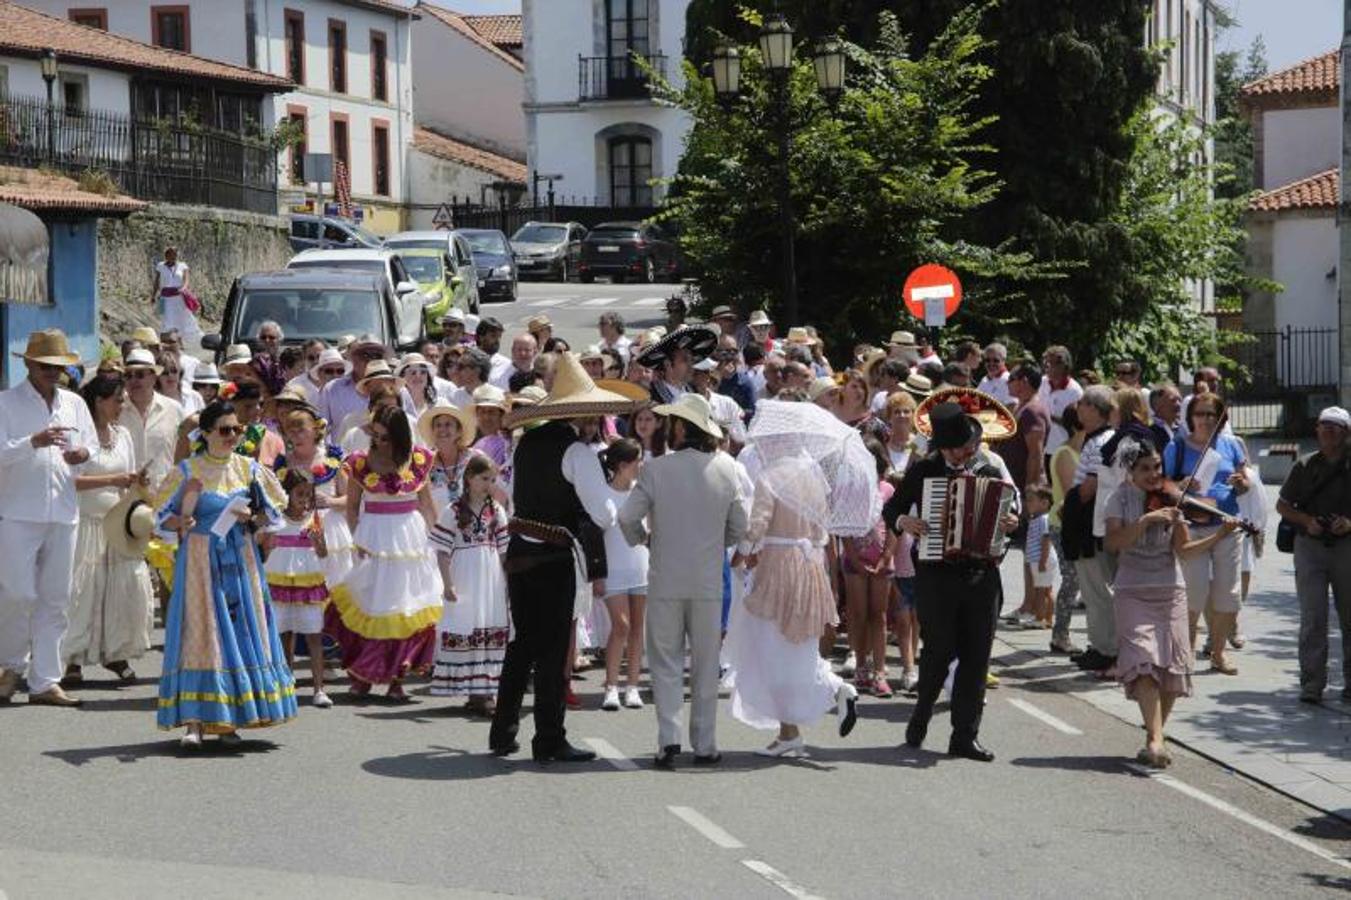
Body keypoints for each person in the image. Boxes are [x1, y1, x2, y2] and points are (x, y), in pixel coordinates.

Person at [489, 354, 629, 764]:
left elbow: (516, 498)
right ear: (583, 412)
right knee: (551, 650)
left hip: (520, 551)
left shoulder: (527, 443)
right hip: (552, 557)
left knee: (522, 645)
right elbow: (605, 514)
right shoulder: (578, 452)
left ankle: (503, 732)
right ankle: (549, 737)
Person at [154, 400, 296, 746]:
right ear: (205, 433)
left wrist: (255, 519)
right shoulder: (187, 471)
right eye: (224, 430)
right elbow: (159, 517)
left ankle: (230, 719)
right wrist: (180, 521)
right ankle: (194, 722)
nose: (232, 435)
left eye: (237, 429)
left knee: (239, 631)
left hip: (240, 558)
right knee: (201, 632)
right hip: (201, 561)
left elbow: (277, 513)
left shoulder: (249, 469)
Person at [885, 401, 1019, 762]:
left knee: (977, 657)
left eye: (967, 447)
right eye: (957, 448)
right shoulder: (924, 471)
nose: (963, 453)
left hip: (980, 574)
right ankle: (922, 711)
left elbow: (1011, 513)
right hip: (936, 574)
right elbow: (892, 508)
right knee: (939, 652)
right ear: (942, 447)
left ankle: (965, 735)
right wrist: (905, 523)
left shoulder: (989, 470)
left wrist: (1011, 522)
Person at [619, 394, 748, 769]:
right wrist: (713, 543)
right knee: (706, 665)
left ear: (679, 427)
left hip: (665, 578)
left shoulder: (657, 470)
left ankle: (668, 740)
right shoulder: (726, 468)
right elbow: (740, 526)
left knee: (665, 662)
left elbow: (628, 518)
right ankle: (705, 744)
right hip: (707, 579)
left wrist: (645, 540)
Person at [724, 424, 860, 758]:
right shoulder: (814, 479)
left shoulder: (772, 476)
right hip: (810, 566)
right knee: (796, 643)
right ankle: (790, 732)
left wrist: (741, 552)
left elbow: (757, 526)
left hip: (778, 565)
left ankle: (834, 688)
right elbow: (821, 529)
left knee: (771, 645)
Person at [1105, 439, 1238, 767]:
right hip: (1133, 590)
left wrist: (1218, 536)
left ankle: (1154, 737)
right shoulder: (1118, 499)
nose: (1154, 475)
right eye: (1145, 469)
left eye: (1157, 468)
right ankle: (1155, 739)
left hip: (1170, 590)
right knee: (1144, 662)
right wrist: (1146, 521)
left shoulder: (1171, 499)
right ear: (1131, 471)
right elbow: (1112, 543)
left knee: (1173, 669)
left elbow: (1184, 551)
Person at [0, 331, 95, 706]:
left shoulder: (74, 403)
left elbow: (90, 446)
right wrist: (32, 443)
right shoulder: (6, 403)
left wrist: (81, 454)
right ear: (27, 364)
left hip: (63, 511)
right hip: (18, 512)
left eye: (57, 367)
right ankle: (9, 665)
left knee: (56, 598)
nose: (52, 373)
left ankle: (45, 681)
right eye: (44, 366)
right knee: (17, 593)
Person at [326, 406, 442, 700]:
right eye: (375, 436)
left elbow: (427, 505)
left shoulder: (418, 459)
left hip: (411, 538)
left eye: (386, 437)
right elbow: (352, 507)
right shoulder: (359, 462)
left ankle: (396, 679)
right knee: (370, 601)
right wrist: (356, 538)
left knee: (404, 605)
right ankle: (363, 673)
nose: (380, 442)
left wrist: (441, 541)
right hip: (373, 536)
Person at [63, 372, 154, 687]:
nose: (121, 405)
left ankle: (117, 653)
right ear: (99, 402)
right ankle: (71, 658)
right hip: (86, 524)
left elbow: (128, 477)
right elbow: (70, 481)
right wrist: (112, 480)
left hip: (116, 523)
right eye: (117, 400)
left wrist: (138, 483)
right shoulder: (80, 438)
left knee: (122, 589)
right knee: (82, 591)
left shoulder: (123, 435)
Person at [1163, 392, 1249, 673]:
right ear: (1191, 417)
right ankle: (1184, 653)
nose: (1206, 419)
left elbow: (1244, 484)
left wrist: (1240, 483)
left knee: (1227, 594)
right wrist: (1181, 484)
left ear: (1220, 417)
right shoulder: (1176, 447)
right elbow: (1162, 485)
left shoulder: (1231, 445)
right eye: (1200, 413)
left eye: (1212, 414)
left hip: (1226, 524)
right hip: (1192, 527)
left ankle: (1218, 652)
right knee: (1194, 592)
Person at [1277, 406, 1351, 703]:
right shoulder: (1305, 466)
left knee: (1350, 617)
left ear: (1346, 433)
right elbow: (1282, 505)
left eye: (1335, 426)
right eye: (1323, 426)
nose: (1328, 431)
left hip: (1346, 547)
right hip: (1310, 546)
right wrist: (1307, 521)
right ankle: (1311, 683)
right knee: (1313, 617)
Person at [429, 454, 511, 713]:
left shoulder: (496, 510)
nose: (489, 484)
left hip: (491, 577)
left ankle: (485, 691)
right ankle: (475, 690)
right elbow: (441, 550)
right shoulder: (453, 510)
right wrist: (447, 583)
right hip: (464, 574)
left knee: (489, 623)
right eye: (484, 478)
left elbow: (504, 551)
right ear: (469, 478)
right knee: (468, 624)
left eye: (492, 479)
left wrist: (509, 583)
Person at [260, 469, 333, 708]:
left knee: (314, 635)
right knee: (284, 635)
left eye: (308, 495)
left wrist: (318, 541)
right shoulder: (276, 518)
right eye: (299, 494)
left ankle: (319, 688)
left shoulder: (314, 519)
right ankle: (286, 680)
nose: (304, 500)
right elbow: (264, 547)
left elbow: (323, 553)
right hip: (280, 582)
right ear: (287, 494)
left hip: (307, 583)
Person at [1067, 386, 1118, 673]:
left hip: (1091, 527)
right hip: (1088, 526)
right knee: (1092, 591)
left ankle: (1108, 649)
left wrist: (1070, 502)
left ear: (1095, 409)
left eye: (1083, 402)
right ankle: (1099, 645)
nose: (1078, 406)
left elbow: (1092, 485)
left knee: (1098, 590)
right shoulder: (1094, 439)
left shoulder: (1102, 443)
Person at [842, 439, 898, 697]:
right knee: (858, 614)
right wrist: (853, 558)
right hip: (856, 560)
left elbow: (895, 525)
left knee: (880, 616)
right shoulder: (850, 490)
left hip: (881, 560)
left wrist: (886, 556)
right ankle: (861, 666)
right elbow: (842, 528)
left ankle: (880, 671)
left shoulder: (887, 489)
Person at [597, 439, 649, 711]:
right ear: (622, 465)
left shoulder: (642, 492)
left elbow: (650, 529)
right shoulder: (603, 495)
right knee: (622, 626)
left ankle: (632, 686)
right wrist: (597, 575)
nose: (641, 465)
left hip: (641, 567)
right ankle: (610, 686)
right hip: (612, 571)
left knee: (638, 628)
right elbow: (595, 537)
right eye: (637, 460)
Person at [1048, 406, 1085, 655]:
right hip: (1062, 525)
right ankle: (1060, 634)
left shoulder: (1085, 452)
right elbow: (1073, 494)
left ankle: (1061, 633)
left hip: (1079, 526)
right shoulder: (1064, 453)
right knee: (1071, 578)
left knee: (1077, 579)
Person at [120, 347, 184, 491]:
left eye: (140, 374)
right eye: (128, 375)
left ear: (154, 377)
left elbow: (183, 453)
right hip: (125, 496)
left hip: (163, 495)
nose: (133, 380)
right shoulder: (116, 410)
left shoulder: (174, 409)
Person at [420, 401, 481, 511]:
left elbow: (495, 495)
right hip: (437, 526)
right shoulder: (425, 465)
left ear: (458, 431)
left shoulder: (476, 459)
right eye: (438, 425)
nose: (442, 429)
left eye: (448, 424)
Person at [150, 246, 202, 351]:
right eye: (172, 254)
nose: (174, 256)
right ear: (166, 255)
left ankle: (179, 341)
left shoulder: (183, 266)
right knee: (167, 320)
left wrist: (183, 288)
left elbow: (186, 280)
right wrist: (153, 295)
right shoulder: (160, 266)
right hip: (166, 298)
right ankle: (168, 343)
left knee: (182, 319)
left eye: (176, 254)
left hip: (179, 297)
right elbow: (157, 282)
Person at [1038, 345, 1084, 462]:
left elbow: (1080, 425)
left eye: (1050, 363)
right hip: (1040, 447)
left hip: (1061, 450)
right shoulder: (1041, 382)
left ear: (1063, 366)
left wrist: (1048, 416)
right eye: (1045, 363)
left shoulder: (1075, 391)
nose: (1046, 367)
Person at [1022, 484, 1056, 628]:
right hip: (1039, 560)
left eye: (1031, 500)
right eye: (1027, 500)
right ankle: (1047, 619)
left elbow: (1046, 540)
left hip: (1042, 559)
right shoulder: (1036, 519)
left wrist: (1042, 560)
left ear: (1044, 503)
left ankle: (1040, 619)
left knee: (1041, 591)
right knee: (1046, 589)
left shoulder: (1043, 520)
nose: (1027, 503)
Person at [977, 343, 1014, 408]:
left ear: (1003, 360)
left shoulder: (1009, 380)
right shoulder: (984, 380)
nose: (991, 364)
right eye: (987, 360)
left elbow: (1012, 406)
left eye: (996, 360)